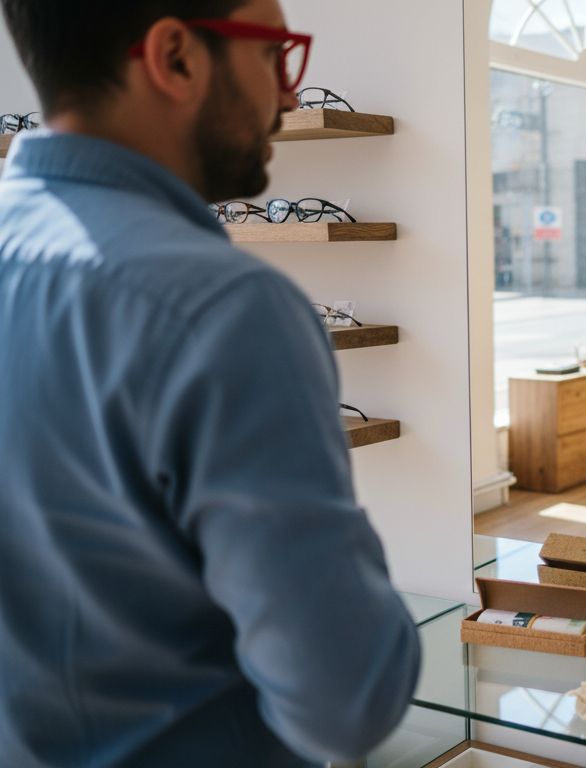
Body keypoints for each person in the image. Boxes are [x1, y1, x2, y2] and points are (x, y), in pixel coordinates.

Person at [0, 1, 420, 765]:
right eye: (274, 54)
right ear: (176, 57)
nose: (290, 96)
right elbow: (346, 702)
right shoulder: (229, 310)